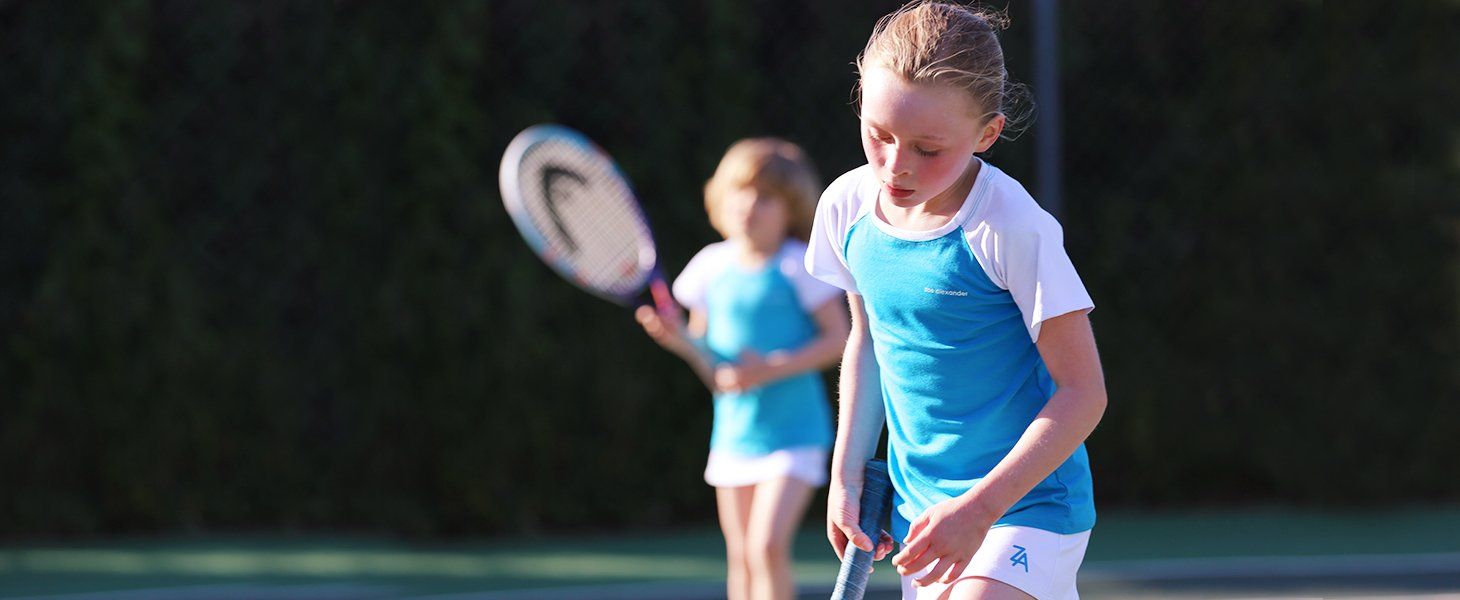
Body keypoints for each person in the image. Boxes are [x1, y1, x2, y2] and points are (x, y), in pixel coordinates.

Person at [806, 2, 1108, 599]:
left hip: (1028, 506)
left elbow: (1084, 393)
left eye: (928, 148)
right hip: (923, 515)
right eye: (879, 135)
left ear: (987, 134)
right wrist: (845, 475)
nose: (896, 165)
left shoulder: (1012, 226)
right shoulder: (845, 208)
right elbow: (868, 343)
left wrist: (979, 509)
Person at [636, 138, 850, 600]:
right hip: (734, 436)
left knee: (766, 546)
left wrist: (769, 368)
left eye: (766, 196)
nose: (750, 205)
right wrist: (680, 343)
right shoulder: (709, 268)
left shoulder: (799, 266)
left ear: (790, 209)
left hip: (795, 435)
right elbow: (713, 365)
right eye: (740, 191)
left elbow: (838, 339)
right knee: (741, 556)